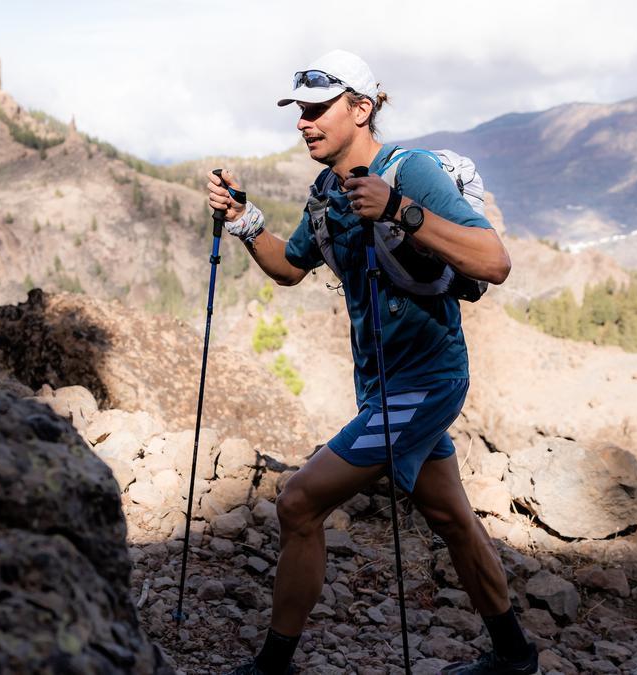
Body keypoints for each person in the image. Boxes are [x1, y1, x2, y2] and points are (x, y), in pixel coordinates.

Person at [209, 50, 536, 675]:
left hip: (427, 382)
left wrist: (398, 210)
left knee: (299, 503)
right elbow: (289, 268)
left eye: (317, 109)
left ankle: (271, 667)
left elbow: (493, 262)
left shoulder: (410, 171)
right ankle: (516, 655)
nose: (303, 122)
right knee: (449, 517)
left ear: (361, 109)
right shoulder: (326, 193)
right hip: (383, 389)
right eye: (299, 112)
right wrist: (243, 221)